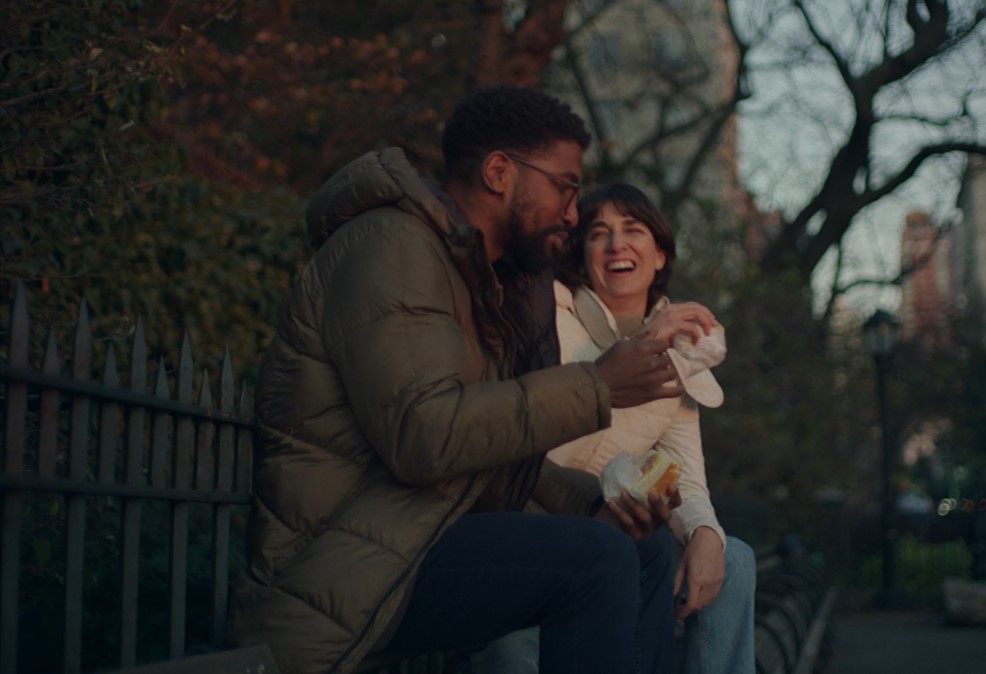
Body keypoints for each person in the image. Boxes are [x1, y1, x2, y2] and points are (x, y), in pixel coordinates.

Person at [225, 87, 687, 674]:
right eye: (566, 186)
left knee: (640, 545)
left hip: (412, 538)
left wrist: (596, 501)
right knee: (594, 560)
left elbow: (489, 453)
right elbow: (425, 436)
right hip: (341, 566)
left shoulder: (479, 280)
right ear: (500, 172)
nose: (573, 213)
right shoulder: (391, 248)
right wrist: (595, 386)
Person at [478, 183, 757, 674]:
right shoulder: (545, 316)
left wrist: (706, 535)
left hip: (624, 540)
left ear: (659, 254)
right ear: (582, 255)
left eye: (633, 230)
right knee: (513, 654)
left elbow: (681, 477)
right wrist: (648, 341)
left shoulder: (680, 354)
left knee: (733, 559)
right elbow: (523, 434)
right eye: (598, 234)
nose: (615, 245)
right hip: (532, 532)